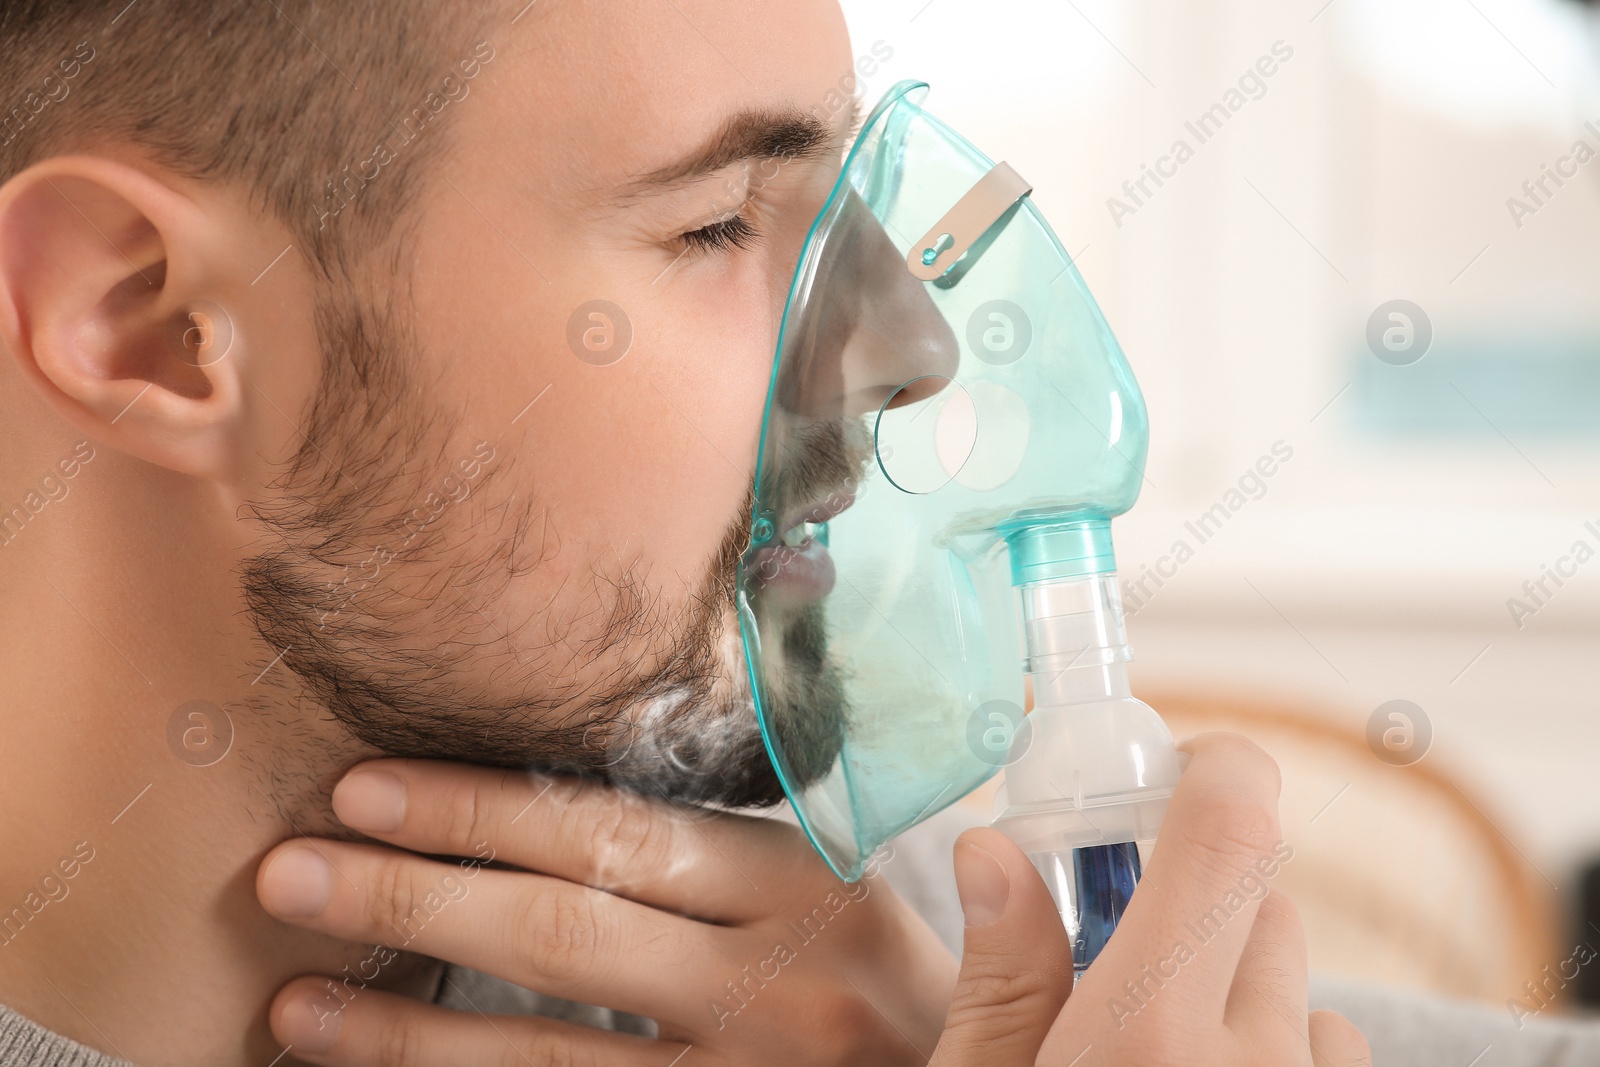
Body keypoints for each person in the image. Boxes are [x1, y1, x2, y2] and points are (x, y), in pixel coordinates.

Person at [0, 0, 1381, 1063]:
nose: (914, 346)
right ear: (156, 331)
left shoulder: (848, 963)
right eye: (720, 224)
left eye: (843, 208)